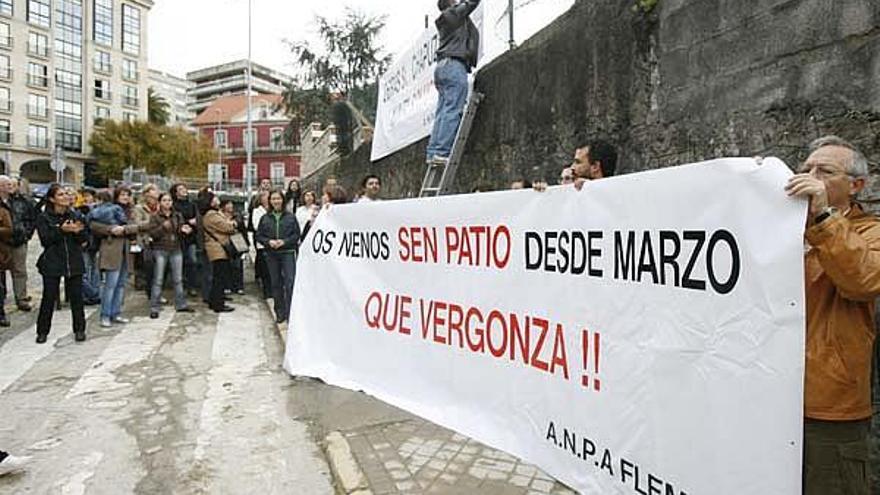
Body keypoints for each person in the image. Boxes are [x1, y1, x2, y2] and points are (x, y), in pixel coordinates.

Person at [782, 136, 879, 495]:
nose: (810, 175)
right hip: (771, 392)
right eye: (806, 168)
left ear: (856, 186)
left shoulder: (870, 232)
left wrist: (822, 216)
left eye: (825, 171)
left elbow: (863, 279)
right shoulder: (781, 227)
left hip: (829, 405)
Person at [425, 0, 481, 164]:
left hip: (443, 66)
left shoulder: (449, 18)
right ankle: (442, 151)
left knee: (443, 112)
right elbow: (472, 3)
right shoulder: (453, 14)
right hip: (454, 65)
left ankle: (434, 152)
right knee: (452, 110)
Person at [35, 184, 88, 343]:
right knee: (49, 297)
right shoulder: (44, 217)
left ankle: (79, 329)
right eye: (61, 194)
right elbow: (46, 240)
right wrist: (61, 230)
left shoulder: (75, 215)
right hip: (52, 261)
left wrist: (78, 232)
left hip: (73, 260)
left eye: (66, 194)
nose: (65, 197)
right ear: (52, 199)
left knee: (77, 297)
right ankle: (42, 331)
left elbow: (84, 240)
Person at [89, 186, 141, 328]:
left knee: (121, 284)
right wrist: (110, 229)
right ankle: (105, 315)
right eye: (123, 194)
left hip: (126, 250)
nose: (125, 197)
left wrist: (125, 229)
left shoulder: (131, 211)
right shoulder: (106, 209)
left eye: (128, 194)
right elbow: (93, 225)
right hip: (112, 248)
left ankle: (116, 312)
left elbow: (138, 226)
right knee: (110, 284)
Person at [256, 190, 300, 324]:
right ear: (270, 201)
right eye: (273, 199)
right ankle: (279, 313)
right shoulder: (265, 218)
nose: (276, 201)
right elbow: (259, 235)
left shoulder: (291, 217)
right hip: (271, 254)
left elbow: (296, 235)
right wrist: (268, 242)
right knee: (276, 283)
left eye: (278, 198)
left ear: (283, 200)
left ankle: (290, 313)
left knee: (290, 282)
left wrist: (284, 242)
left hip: (287, 252)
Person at [147, 193, 194, 319]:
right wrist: (163, 227)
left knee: (178, 279)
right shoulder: (155, 217)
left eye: (169, 200)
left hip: (176, 249)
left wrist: (184, 230)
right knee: (158, 279)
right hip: (160, 249)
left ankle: (181, 304)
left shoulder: (177, 215)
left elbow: (180, 229)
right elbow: (152, 234)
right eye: (164, 200)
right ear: (160, 202)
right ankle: (154, 307)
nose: (167, 203)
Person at [201, 192, 237, 313]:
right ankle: (218, 304)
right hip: (217, 249)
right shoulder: (211, 215)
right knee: (219, 277)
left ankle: (214, 300)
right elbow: (227, 227)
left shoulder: (212, 214)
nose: (218, 199)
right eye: (215, 198)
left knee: (218, 276)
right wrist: (233, 224)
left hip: (218, 248)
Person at [9, 178, 37, 310]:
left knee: (19, 270)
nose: (9, 187)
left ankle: (21, 298)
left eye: (12, 185)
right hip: (3, 241)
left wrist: (26, 234)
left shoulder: (24, 202)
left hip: (19, 240)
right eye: (6, 184)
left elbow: (32, 218)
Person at [172, 183, 200, 297]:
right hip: (179, 237)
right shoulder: (174, 205)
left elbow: (197, 218)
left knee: (192, 261)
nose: (184, 190)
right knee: (179, 262)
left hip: (191, 237)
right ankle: (179, 286)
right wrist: (188, 223)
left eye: (184, 188)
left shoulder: (192, 204)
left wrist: (194, 222)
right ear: (176, 192)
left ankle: (191, 286)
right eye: (180, 189)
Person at [132, 184, 159, 297]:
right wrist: (153, 222)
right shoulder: (139, 208)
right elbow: (137, 224)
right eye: (151, 196)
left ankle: (156, 291)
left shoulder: (160, 207)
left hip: (159, 240)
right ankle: (150, 291)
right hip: (145, 240)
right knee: (149, 266)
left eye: (155, 196)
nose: (153, 199)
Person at [220, 199, 247, 295]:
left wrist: (246, 244)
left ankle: (239, 286)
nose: (230, 206)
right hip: (225, 241)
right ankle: (227, 286)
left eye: (231, 204)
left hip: (237, 240)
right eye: (228, 204)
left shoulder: (237, 215)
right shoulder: (219, 216)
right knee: (226, 264)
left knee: (238, 265)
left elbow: (242, 228)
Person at [250, 191, 272, 299]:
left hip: (274, 244)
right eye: (266, 197)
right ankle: (267, 291)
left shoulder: (274, 210)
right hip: (263, 243)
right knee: (265, 270)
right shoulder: (257, 211)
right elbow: (256, 226)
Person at [0, 176, 14, 327]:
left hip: (1, 253)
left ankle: (1, 313)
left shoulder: (3, 211)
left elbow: (9, 229)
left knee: (0, 287)